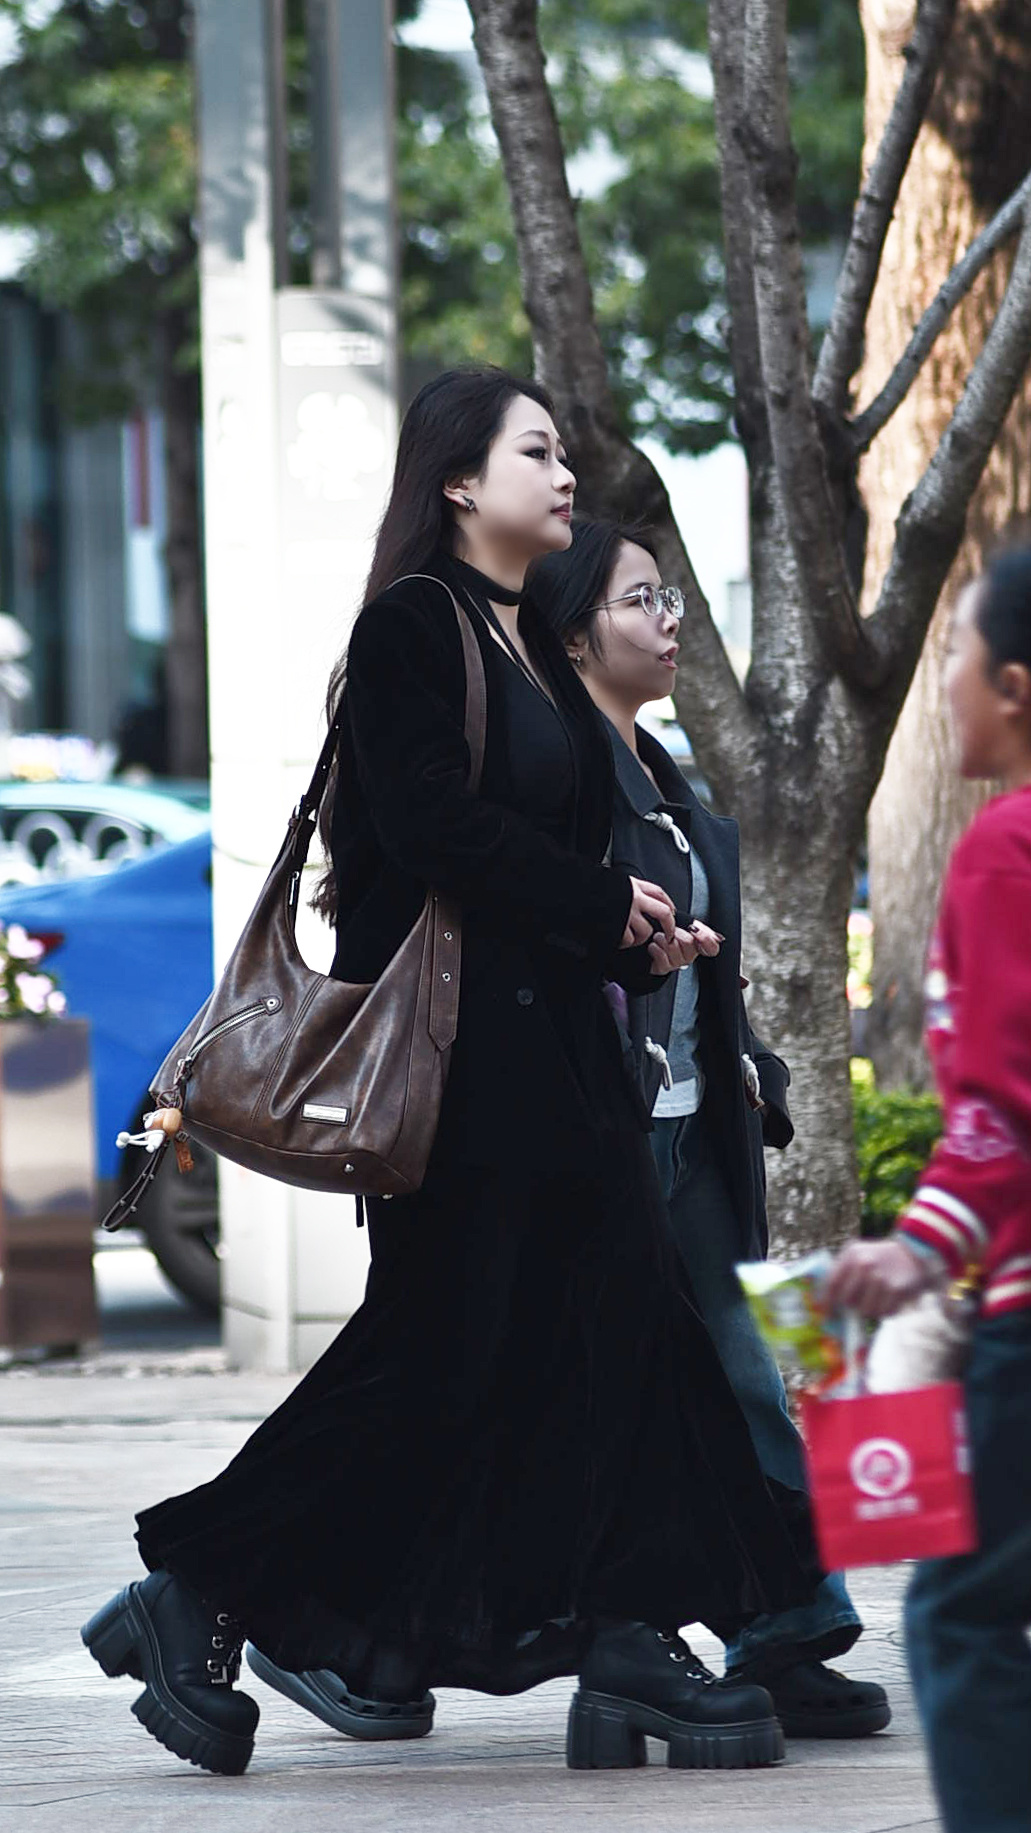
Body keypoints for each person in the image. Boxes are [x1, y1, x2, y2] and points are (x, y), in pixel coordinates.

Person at [81, 369, 821, 1778]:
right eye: (534, 452)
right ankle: (197, 1592)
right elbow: (427, 831)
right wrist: (592, 903)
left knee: (612, 1338)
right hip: (470, 1079)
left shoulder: (523, 638)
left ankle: (630, 1631)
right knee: (443, 1361)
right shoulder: (415, 626)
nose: (564, 472)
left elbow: (542, 851)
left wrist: (630, 927)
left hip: (555, 1065)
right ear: (459, 482)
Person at [531, 519, 889, 1737]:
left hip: (696, 1137)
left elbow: (701, 977)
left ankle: (785, 1629)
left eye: (669, 597)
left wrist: (749, 1069)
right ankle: (352, 1642)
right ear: (574, 636)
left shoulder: (664, 779)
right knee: (596, 1400)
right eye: (640, 600)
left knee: (751, 1375)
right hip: (607, 1139)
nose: (668, 621)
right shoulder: (560, 777)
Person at [827, 547, 1031, 1833]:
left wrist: (913, 1247)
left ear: (1012, 686)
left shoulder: (1004, 850)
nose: (939, 677)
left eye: (953, 651)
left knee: (957, 1612)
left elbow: (1002, 1110)